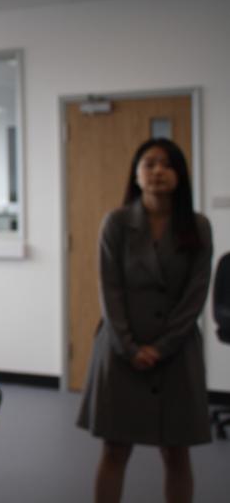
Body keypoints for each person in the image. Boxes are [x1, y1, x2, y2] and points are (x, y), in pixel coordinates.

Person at [77, 138, 213, 503]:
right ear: (136, 174)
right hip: (121, 349)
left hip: (177, 351)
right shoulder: (117, 223)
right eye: (149, 163)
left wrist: (163, 346)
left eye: (167, 164)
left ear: (180, 176)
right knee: (115, 449)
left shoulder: (197, 226)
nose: (158, 171)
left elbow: (196, 295)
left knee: (176, 452)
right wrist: (129, 346)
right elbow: (110, 289)